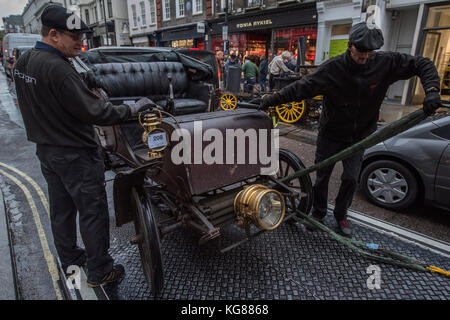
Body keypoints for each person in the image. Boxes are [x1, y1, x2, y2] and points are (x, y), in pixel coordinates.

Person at [13, 5, 153, 287]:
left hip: (47, 151)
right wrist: (133, 108)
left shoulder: (25, 62)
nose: (81, 42)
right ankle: (101, 270)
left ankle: (70, 259)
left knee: (62, 210)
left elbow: (46, 98)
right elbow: (98, 113)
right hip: (76, 153)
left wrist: (81, 78)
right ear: (53, 34)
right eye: (74, 37)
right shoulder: (58, 69)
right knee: (93, 211)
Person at [260, 22, 442, 237]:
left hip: (359, 136)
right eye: (360, 51)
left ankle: (341, 215)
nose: (364, 56)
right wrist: (269, 101)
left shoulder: (385, 62)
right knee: (322, 177)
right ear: (350, 45)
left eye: (369, 52)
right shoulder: (332, 68)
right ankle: (318, 212)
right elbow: (300, 88)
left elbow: (423, 63)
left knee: (350, 178)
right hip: (331, 133)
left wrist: (431, 90)